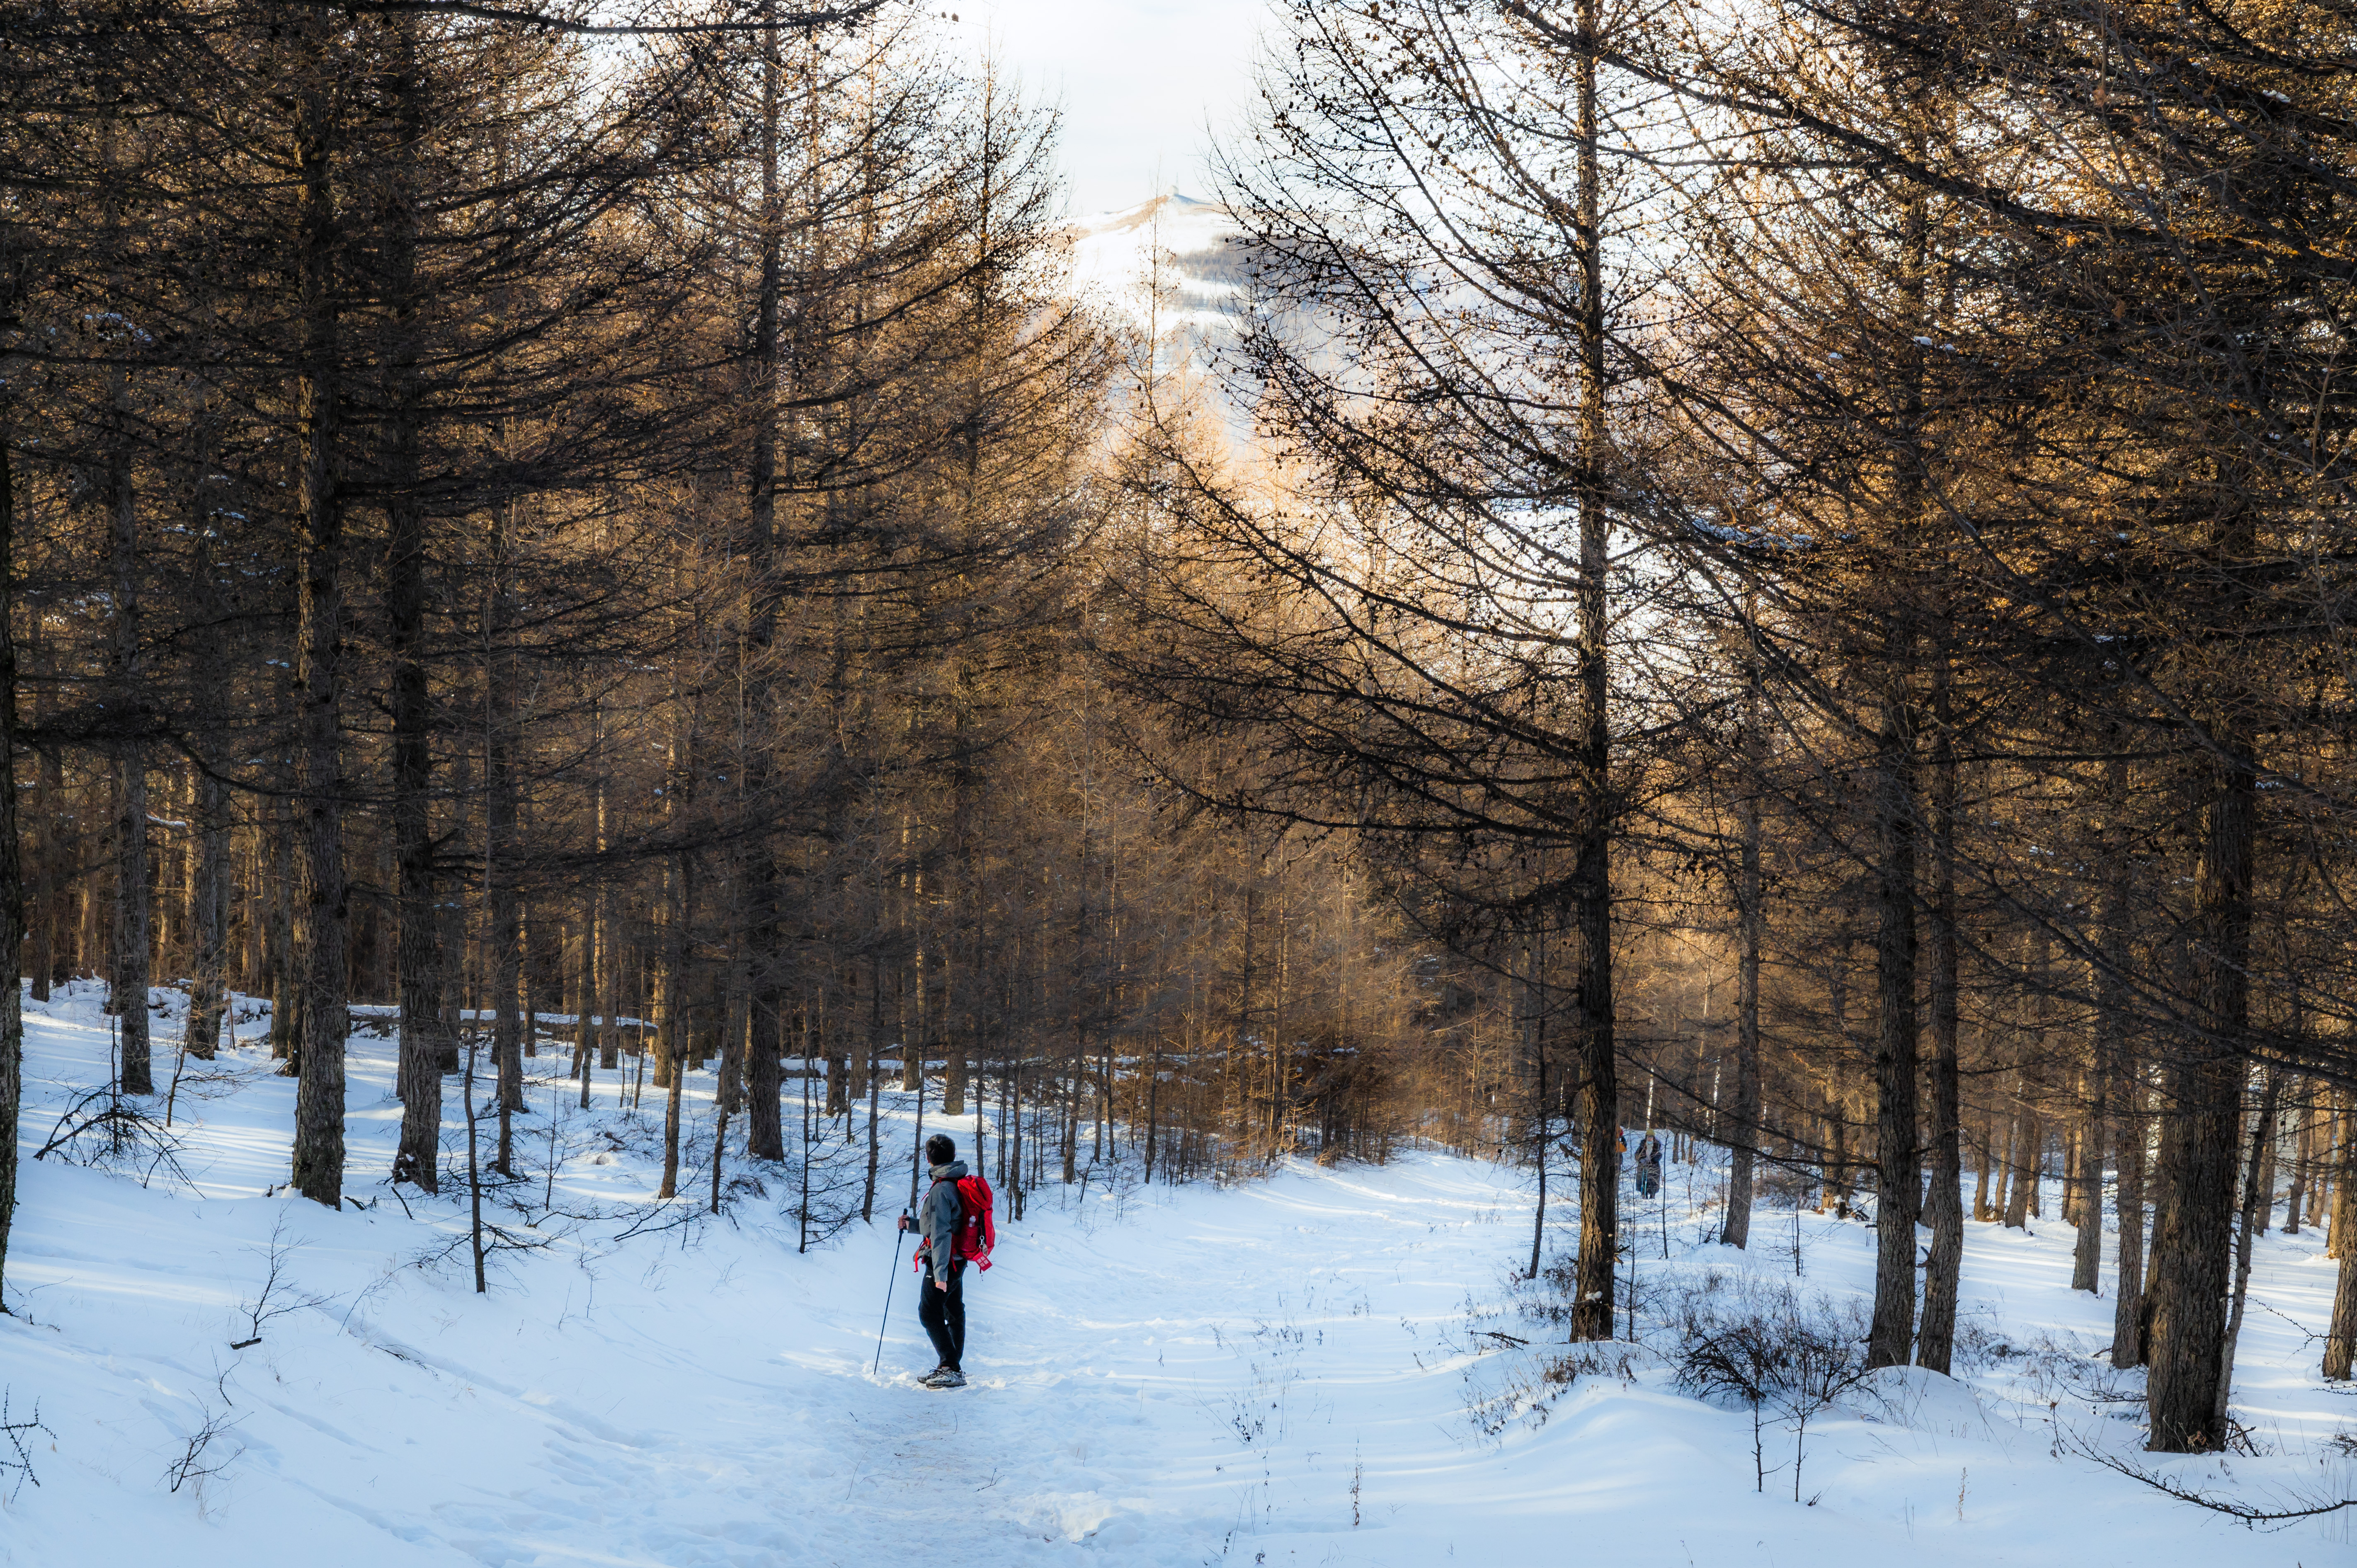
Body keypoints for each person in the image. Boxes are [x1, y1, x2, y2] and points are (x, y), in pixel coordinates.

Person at [902, 1132, 972, 1389]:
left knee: (929, 1312)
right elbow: (940, 1225)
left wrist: (941, 1274)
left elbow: (942, 1233)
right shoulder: (957, 1182)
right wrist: (912, 1225)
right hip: (959, 1258)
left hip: (944, 1262)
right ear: (952, 1157)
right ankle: (952, 1366)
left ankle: (951, 1366)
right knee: (954, 1311)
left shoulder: (942, 1189)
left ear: (930, 1160)